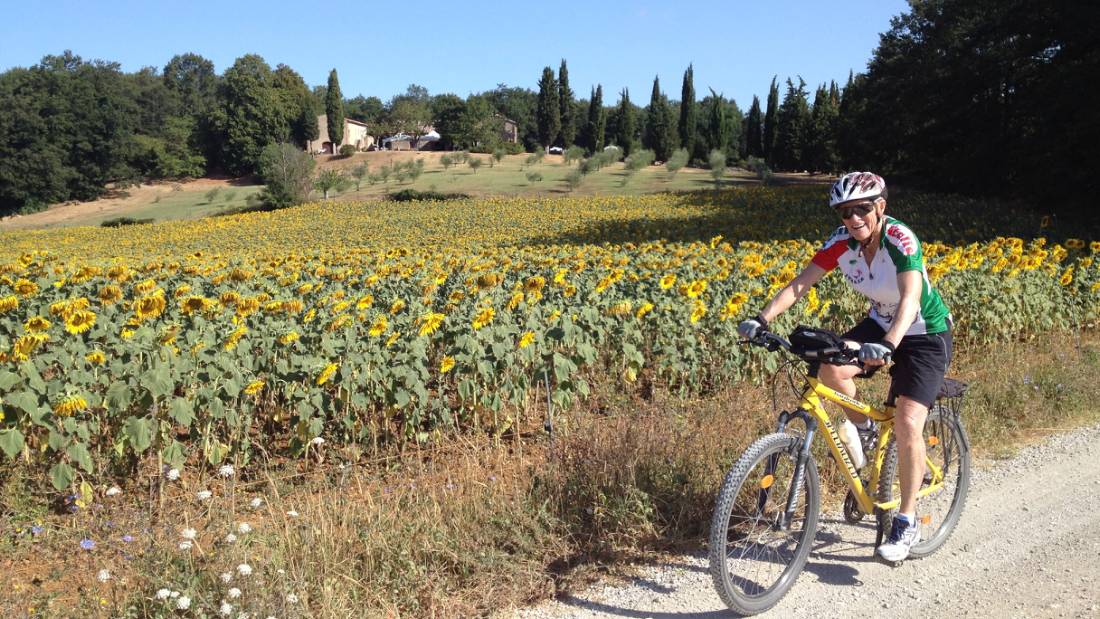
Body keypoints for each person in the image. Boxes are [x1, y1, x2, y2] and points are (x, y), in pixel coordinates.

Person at [737, 171, 952, 562]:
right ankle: (868, 431)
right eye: (845, 212)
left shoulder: (900, 240)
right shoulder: (841, 243)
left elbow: (910, 297)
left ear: (880, 207)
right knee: (829, 368)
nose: (853, 219)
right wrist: (762, 319)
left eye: (862, 209)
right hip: (881, 324)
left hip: (923, 331)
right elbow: (800, 284)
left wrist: (888, 345)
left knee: (906, 420)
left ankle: (906, 521)